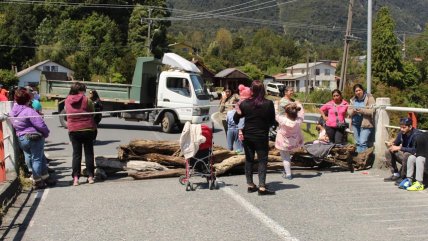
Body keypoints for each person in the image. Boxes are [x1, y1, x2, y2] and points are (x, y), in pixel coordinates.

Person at [233, 80, 276, 195]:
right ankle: (262, 187)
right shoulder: (268, 103)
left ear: (251, 90)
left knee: (249, 159)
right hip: (261, 135)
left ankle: (250, 185)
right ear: (263, 90)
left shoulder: (244, 104)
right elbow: (272, 121)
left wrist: (238, 112)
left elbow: (236, 119)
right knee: (262, 160)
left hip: (248, 135)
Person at [9, 89, 55, 189]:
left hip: (21, 138)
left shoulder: (12, 112)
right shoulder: (29, 111)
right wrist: (46, 133)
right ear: (28, 99)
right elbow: (40, 124)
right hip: (34, 137)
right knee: (38, 158)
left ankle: (45, 177)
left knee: (32, 156)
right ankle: (38, 180)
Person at [65, 82, 97, 186]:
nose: (85, 92)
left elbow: (67, 112)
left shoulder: (67, 100)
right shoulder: (86, 100)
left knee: (76, 154)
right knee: (89, 153)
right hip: (87, 128)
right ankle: (90, 176)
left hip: (74, 129)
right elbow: (92, 111)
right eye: (84, 90)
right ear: (80, 90)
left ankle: (75, 178)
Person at [383, 117, 420, 184]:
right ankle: (396, 174)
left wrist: (400, 148)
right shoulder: (401, 133)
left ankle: (404, 177)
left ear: (410, 127)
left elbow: (415, 150)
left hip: (415, 159)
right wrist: (391, 144)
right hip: (405, 157)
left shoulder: (416, 135)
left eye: (404, 127)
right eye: (400, 127)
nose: (401, 129)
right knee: (388, 151)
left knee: (406, 154)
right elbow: (395, 144)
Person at [275, 102, 304, 180]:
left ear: (286, 113)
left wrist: (276, 104)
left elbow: (276, 113)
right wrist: (299, 104)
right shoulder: (299, 120)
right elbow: (302, 112)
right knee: (288, 156)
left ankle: (288, 174)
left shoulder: (282, 120)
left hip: (283, 143)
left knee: (285, 158)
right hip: (294, 142)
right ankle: (288, 171)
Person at [348, 84, 375, 153]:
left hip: (366, 124)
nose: (358, 92)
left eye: (359, 90)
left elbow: (372, 111)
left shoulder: (369, 98)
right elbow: (349, 112)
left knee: (362, 142)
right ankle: (358, 159)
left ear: (363, 90)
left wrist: (362, 111)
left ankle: (362, 159)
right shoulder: (353, 100)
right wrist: (353, 111)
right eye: (356, 91)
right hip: (355, 124)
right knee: (357, 142)